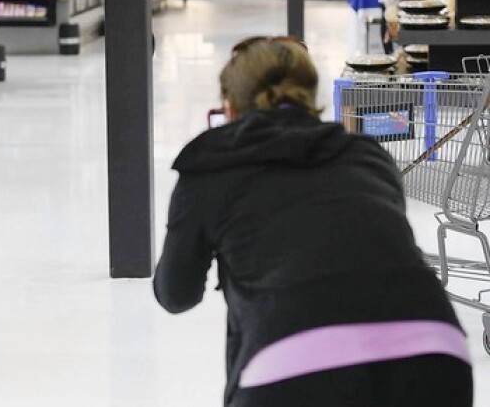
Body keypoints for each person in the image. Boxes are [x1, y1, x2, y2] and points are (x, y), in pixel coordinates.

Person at [153, 36, 473, 407]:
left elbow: (176, 294)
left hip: (294, 365)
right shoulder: (366, 156)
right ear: (309, 97)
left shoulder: (210, 167)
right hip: (435, 350)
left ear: (230, 107)